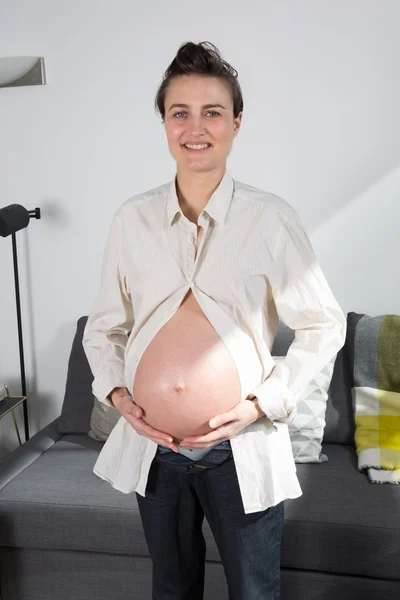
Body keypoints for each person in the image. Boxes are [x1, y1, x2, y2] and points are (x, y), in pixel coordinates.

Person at [83, 41, 346, 600]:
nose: (195, 127)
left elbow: (325, 324)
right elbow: (104, 325)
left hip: (242, 449)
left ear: (236, 123)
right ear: (164, 123)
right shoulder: (131, 220)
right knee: (172, 590)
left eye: (212, 112)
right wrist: (118, 394)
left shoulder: (270, 219)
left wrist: (262, 403)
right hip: (156, 452)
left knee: (254, 592)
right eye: (180, 112)